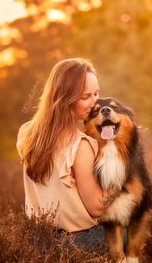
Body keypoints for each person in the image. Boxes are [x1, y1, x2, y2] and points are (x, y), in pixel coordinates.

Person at [16, 58, 115, 252]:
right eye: (86, 96)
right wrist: (118, 183)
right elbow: (96, 207)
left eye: (96, 93)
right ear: (66, 99)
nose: (95, 102)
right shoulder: (81, 146)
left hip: (36, 244)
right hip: (73, 246)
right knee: (124, 229)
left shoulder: (27, 133)